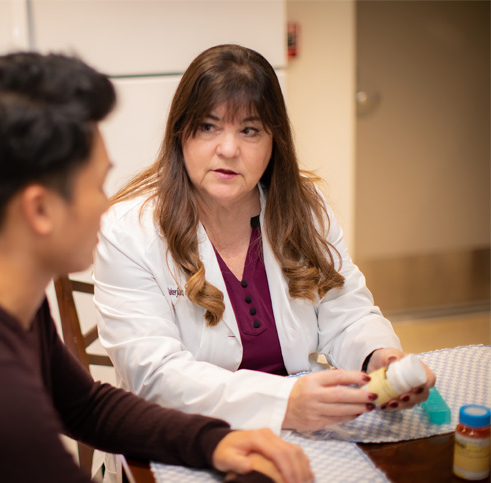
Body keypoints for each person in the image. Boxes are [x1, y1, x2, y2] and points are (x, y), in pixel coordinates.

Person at [0, 52, 313, 483]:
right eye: (96, 184)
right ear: (40, 210)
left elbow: (87, 407)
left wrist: (214, 441)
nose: (106, 204)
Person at [93, 44, 436, 438]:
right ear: (180, 133)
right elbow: (154, 375)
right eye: (208, 126)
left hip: (305, 429)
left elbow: (346, 310)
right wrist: (284, 403)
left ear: (274, 141)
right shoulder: (128, 231)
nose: (228, 148)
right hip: (188, 436)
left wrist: (377, 356)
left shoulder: (302, 207)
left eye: (249, 130)